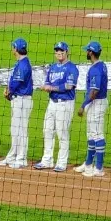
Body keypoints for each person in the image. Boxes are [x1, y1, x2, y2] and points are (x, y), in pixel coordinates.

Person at [36, 41, 78, 172]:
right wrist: (46, 87)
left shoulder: (72, 68)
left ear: (67, 52)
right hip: (52, 103)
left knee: (62, 133)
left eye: (61, 51)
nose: (59, 53)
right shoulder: (53, 68)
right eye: (57, 51)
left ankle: (61, 162)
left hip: (65, 104)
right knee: (47, 131)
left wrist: (52, 88)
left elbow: (69, 86)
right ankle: (47, 160)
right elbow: (47, 81)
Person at [76, 41, 108, 176]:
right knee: (90, 134)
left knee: (97, 134)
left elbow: (94, 91)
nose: (86, 53)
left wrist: (83, 105)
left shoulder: (95, 69)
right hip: (97, 102)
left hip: (97, 102)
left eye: (87, 51)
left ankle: (99, 168)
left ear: (91, 52)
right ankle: (89, 163)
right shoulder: (101, 65)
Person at [2, 38, 34, 169]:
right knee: (15, 129)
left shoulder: (23, 65)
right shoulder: (21, 63)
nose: (12, 49)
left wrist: (8, 91)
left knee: (21, 130)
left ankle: (22, 158)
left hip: (22, 100)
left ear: (15, 48)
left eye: (13, 47)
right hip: (17, 99)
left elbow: (16, 83)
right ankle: (12, 156)